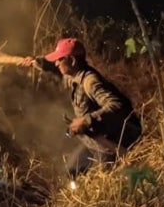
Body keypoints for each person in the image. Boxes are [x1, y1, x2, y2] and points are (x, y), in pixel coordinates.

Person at [19, 38, 142, 177]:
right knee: (71, 172)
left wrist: (86, 120)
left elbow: (117, 105)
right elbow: (55, 69)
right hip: (91, 142)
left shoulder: (91, 82)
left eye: (60, 59)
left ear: (72, 60)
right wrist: (37, 62)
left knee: (103, 182)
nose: (56, 63)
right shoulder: (73, 73)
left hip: (108, 146)